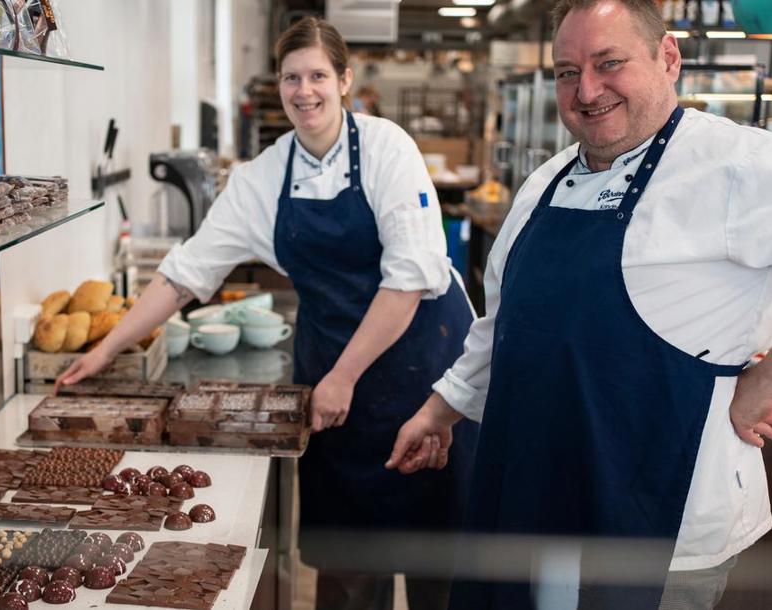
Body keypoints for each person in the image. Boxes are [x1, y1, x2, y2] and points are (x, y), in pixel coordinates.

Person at [386, 1, 772, 609]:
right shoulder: (545, 181)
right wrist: (442, 409)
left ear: (667, 57)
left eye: (608, 63)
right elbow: (505, 329)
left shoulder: (739, 167)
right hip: (533, 498)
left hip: (658, 521)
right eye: (568, 71)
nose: (587, 89)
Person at [56, 16, 478, 610]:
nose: (305, 91)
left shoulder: (388, 149)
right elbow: (186, 273)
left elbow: (407, 284)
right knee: (349, 563)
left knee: (438, 562)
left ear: (345, 80)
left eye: (318, 76)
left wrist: (342, 377)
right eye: (290, 78)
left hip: (421, 366)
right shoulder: (264, 177)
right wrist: (104, 349)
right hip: (336, 375)